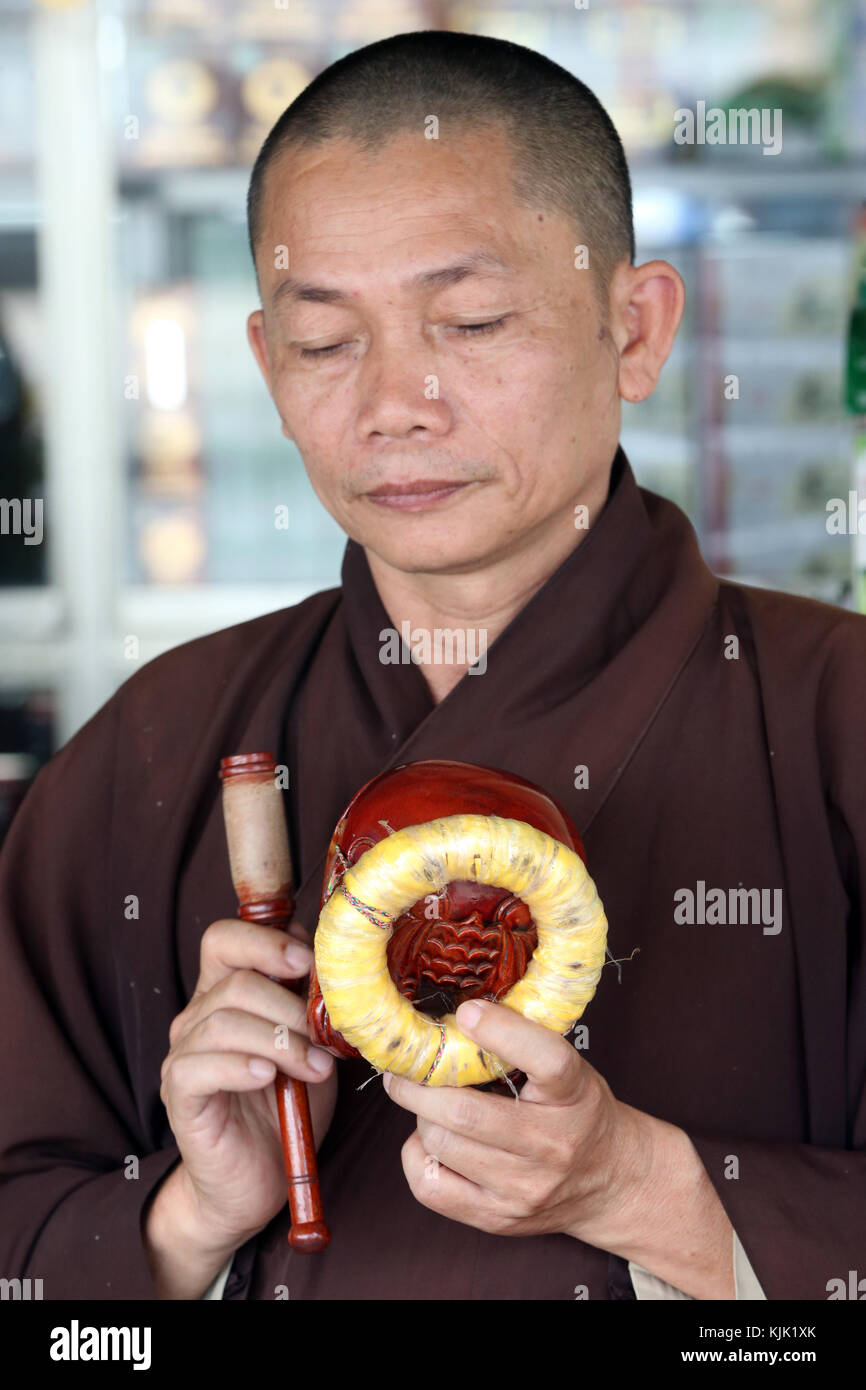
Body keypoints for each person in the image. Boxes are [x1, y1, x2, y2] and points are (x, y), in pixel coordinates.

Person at [1, 30, 863, 1303]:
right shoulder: (156, 746)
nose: (397, 400)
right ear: (264, 370)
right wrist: (183, 1224)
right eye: (323, 342)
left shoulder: (836, 720)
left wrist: (657, 1198)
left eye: (468, 319)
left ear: (635, 330)